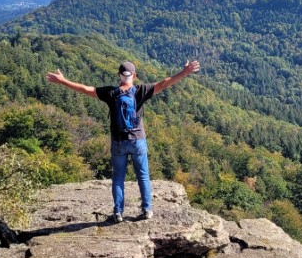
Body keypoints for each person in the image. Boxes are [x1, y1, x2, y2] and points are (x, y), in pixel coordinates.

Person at [46, 59, 200, 222]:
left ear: (119, 75)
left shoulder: (110, 93)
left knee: (119, 177)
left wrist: (63, 81)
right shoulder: (140, 90)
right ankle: (147, 210)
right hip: (137, 140)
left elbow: (85, 89)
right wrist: (185, 72)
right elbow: (164, 83)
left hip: (118, 142)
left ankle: (118, 212)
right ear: (134, 75)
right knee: (143, 176)